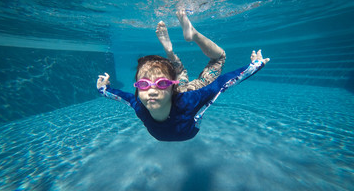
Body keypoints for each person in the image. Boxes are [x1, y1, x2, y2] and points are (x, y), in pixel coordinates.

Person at [97, 52, 269, 142]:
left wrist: (253, 66)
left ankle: (176, 70)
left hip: (190, 129)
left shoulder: (189, 101)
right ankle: (174, 67)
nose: (151, 90)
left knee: (197, 86)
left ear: (171, 89)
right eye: (143, 84)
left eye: (162, 83)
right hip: (176, 97)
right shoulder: (139, 104)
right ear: (138, 88)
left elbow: (222, 83)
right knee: (183, 83)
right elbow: (119, 95)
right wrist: (104, 89)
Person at [155, 10, 226, 93]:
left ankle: (172, 51)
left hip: (184, 93)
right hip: (185, 93)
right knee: (219, 57)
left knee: (219, 58)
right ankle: (170, 52)